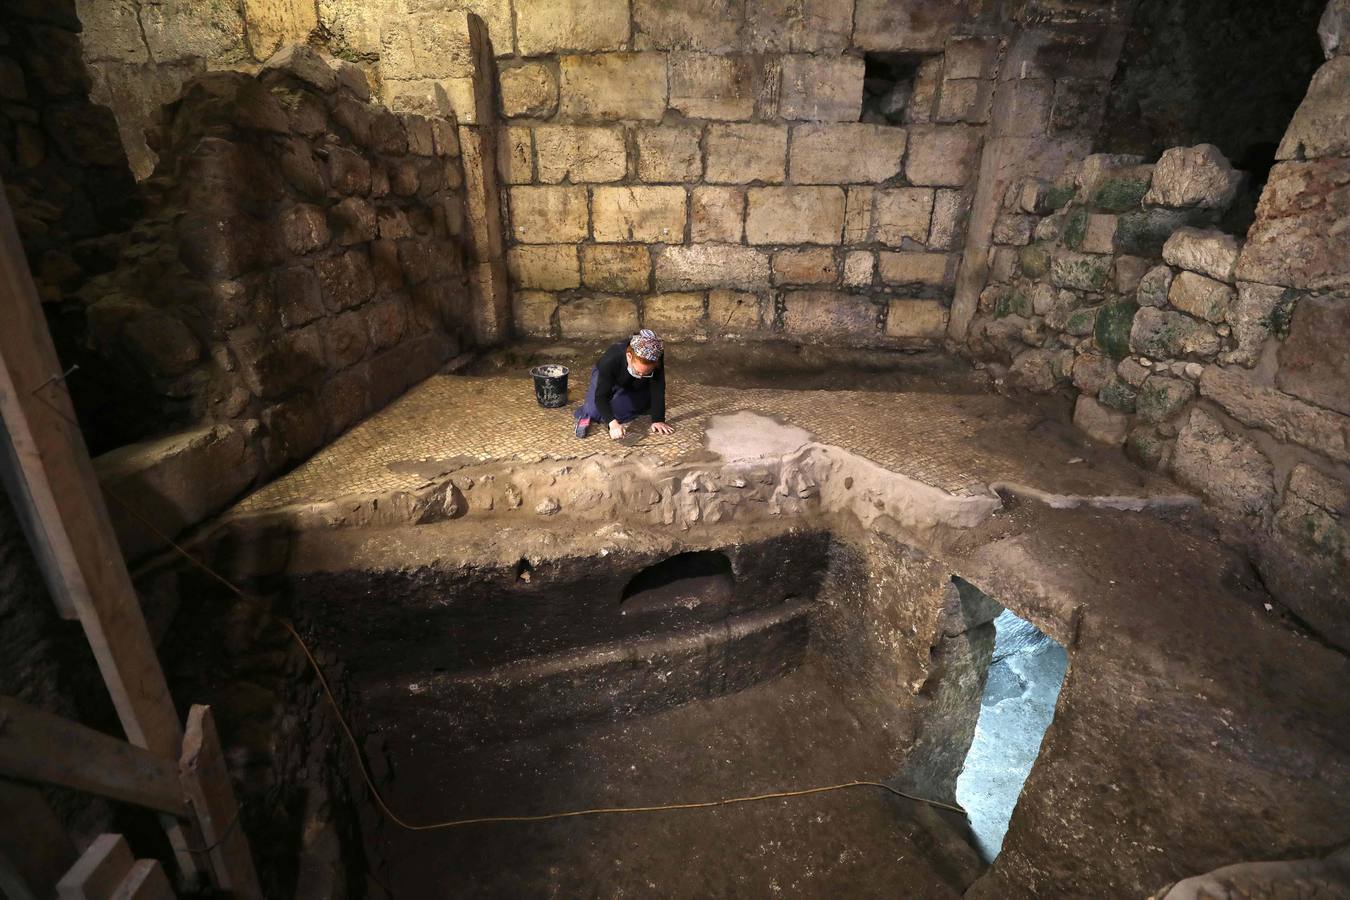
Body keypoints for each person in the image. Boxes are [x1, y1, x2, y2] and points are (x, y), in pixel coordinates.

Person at [573, 329, 676, 440]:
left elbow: (658, 386)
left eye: (646, 373)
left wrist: (658, 419)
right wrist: (612, 424)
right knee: (593, 411)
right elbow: (601, 396)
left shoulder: (655, 355)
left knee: (620, 411)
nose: (641, 376)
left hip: (633, 384)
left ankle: (637, 400)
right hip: (608, 376)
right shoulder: (610, 360)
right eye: (638, 371)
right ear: (629, 356)